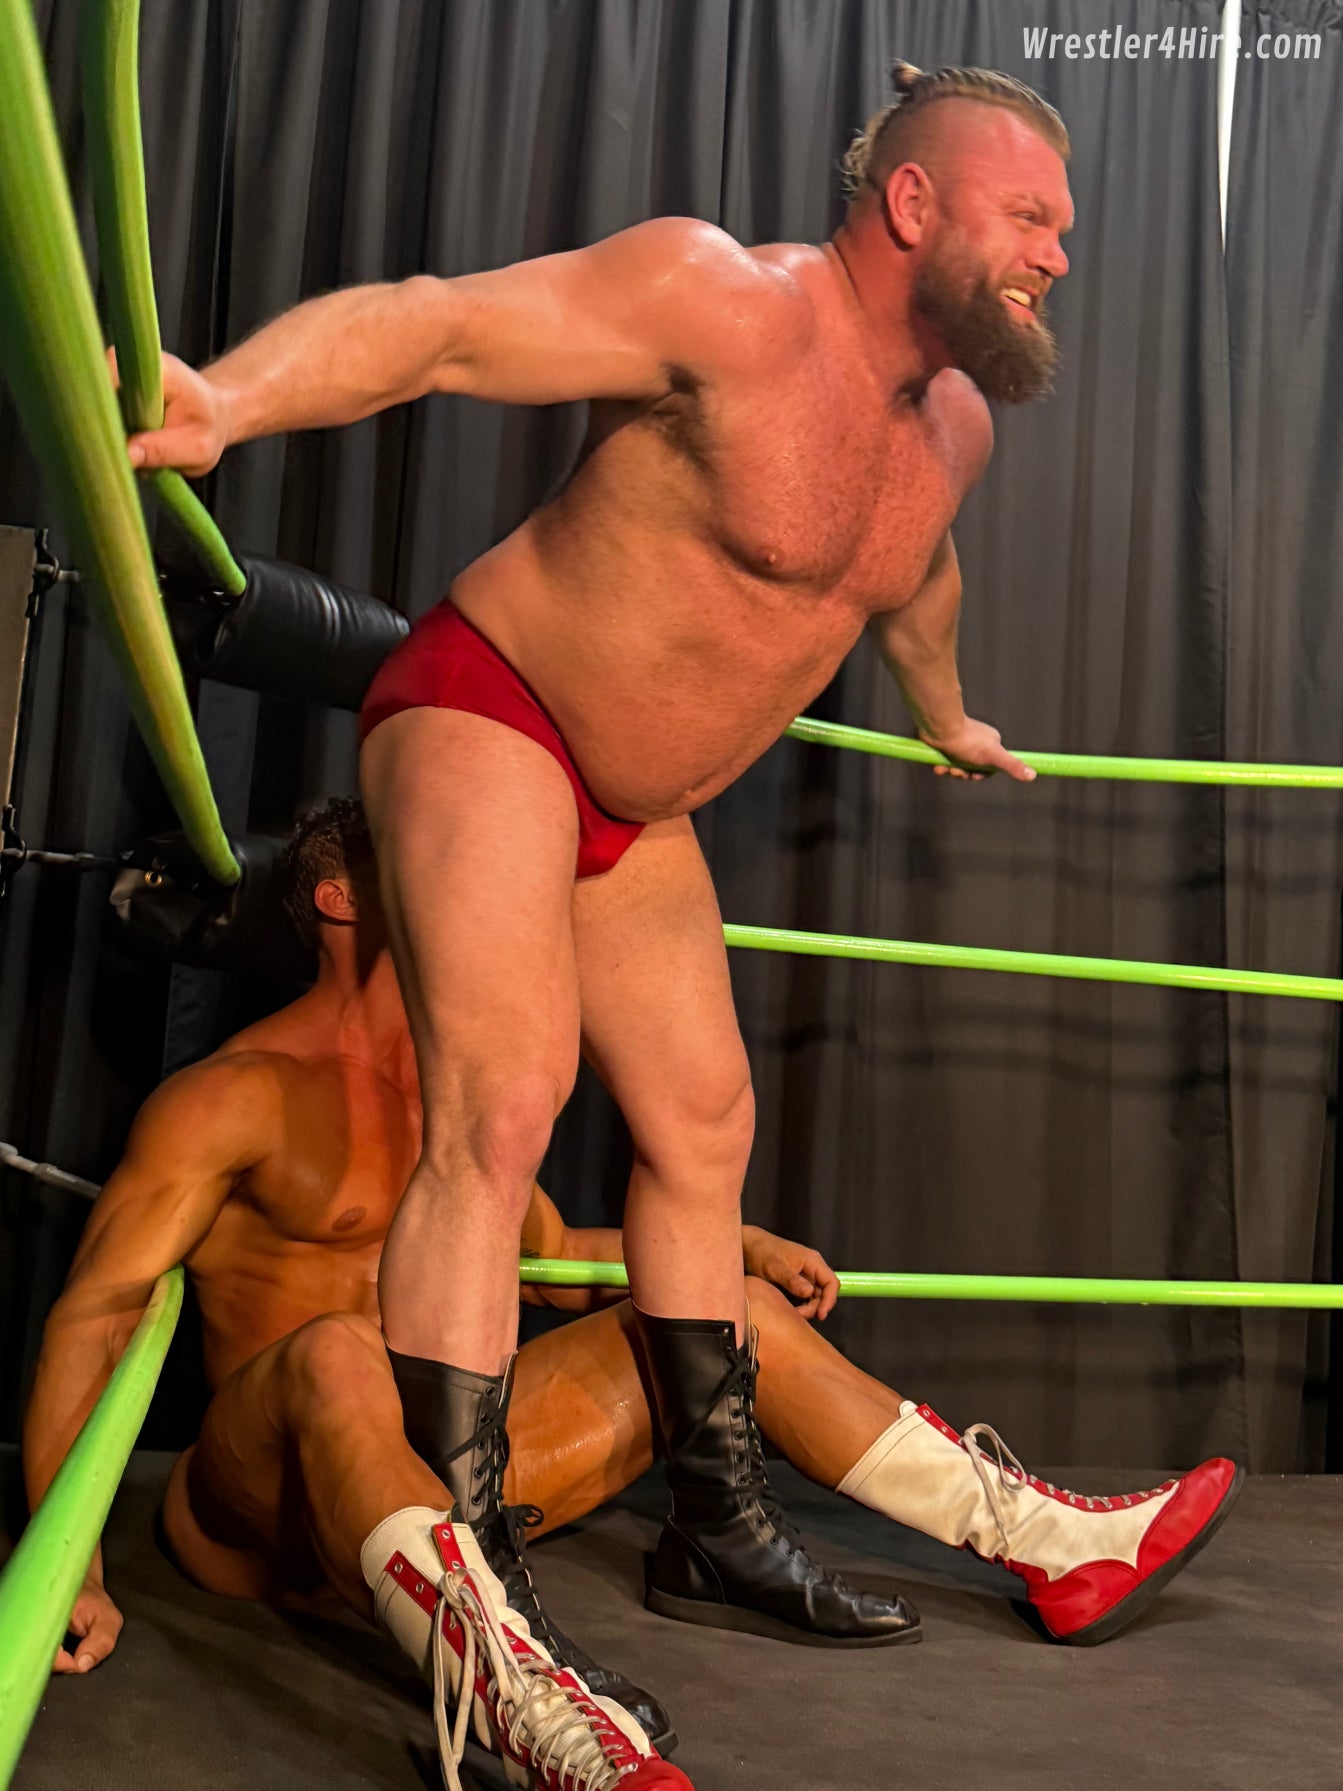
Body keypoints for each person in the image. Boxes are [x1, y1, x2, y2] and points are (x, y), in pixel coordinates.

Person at [120, 59, 1159, 1775]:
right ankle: (473, 1580)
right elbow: (443, 328)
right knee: (502, 1104)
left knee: (702, 1126)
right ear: (913, 205)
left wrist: (944, 711)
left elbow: (908, 576)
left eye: (1064, 225)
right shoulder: (724, 301)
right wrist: (227, 399)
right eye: (1031, 216)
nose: (1059, 252)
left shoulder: (949, 430)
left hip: (636, 799)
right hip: (494, 707)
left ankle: (716, 1529)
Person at [25, 801, 1241, 1788]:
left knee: (718, 1308)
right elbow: (100, 1310)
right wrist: (67, 1564)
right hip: (268, 1499)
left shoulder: (460, 1095)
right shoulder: (236, 1094)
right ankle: (528, 1713)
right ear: (340, 899)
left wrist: (732, 1244)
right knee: (337, 1350)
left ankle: (1050, 1547)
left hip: (442, 1491)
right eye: (423, 845)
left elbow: (554, 1255)